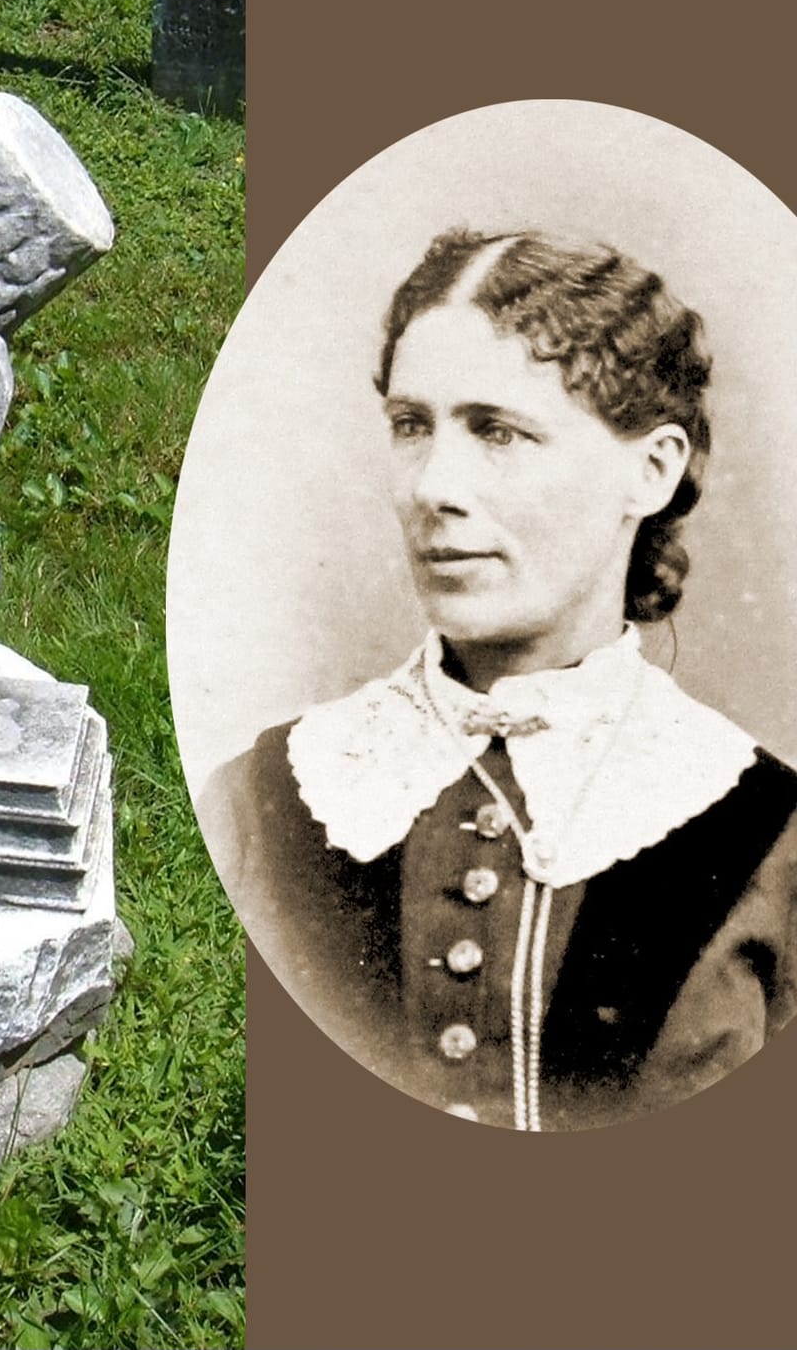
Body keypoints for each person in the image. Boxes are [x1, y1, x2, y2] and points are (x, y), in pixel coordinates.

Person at [201, 227, 797, 1131]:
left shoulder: (772, 840)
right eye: (412, 425)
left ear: (651, 470)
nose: (432, 486)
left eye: (498, 431)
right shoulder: (265, 798)